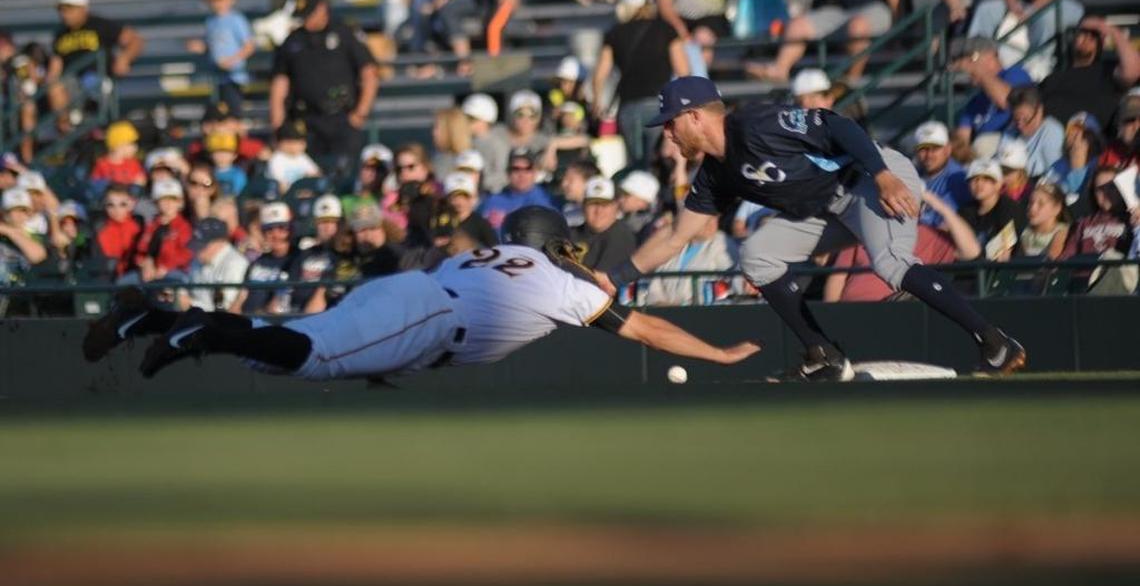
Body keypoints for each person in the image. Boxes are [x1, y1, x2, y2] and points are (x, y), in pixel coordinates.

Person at [598, 76, 1026, 381]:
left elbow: (837, 124)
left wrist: (881, 174)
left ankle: (993, 340)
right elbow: (676, 236)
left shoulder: (755, 124)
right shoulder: (714, 173)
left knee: (891, 263)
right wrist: (615, 278)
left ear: (694, 116)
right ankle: (823, 353)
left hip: (869, 179)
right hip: (827, 206)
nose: (668, 135)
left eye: (670, 123)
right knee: (757, 256)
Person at [83, 206, 761, 383]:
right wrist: (720, 353)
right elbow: (645, 329)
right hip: (434, 318)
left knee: (279, 353)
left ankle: (157, 316)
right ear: (545, 240)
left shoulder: (491, 253)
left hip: (418, 298)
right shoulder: (556, 277)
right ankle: (197, 327)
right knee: (307, 355)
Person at [746, 0, 906, 83]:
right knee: (797, 25)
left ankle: (849, 82)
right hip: (842, 9)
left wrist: (899, 30)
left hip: (876, 8)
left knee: (858, 27)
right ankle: (780, 69)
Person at [268, 0, 379, 161]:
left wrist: (360, 113)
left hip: (343, 117)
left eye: (310, 14)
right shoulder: (292, 41)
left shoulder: (343, 33)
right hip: (306, 121)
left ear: (322, 8)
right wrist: (278, 125)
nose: (307, 20)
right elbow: (280, 83)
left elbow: (369, 72)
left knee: (345, 172)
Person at [591, 0, 688, 168]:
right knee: (659, 163)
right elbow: (684, 71)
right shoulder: (666, 29)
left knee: (636, 165)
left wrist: (597, 102)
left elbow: (600, 74)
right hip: (660, 104)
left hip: (628, 106)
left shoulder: (615, 32)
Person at [824, 190, 982, 302]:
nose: (900, 205)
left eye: (907, 200)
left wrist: (939, 206)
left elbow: (971, 251)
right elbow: (838, 276)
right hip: (851, 311)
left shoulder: (931, 235)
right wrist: (831, 315)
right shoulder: (866, 228)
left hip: (895, 310)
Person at [48, 0, 144, 129]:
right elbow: (55, 67)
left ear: (83, 8)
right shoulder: (60, 35)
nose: (64, 14)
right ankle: (66, 133)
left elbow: (134, 40)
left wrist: (124, 58)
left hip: (98, 80)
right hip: (73, 84)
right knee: (55, 87)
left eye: (69, 9)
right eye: (61, 9)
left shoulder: (99, 25)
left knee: (92, 83)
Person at [966, 0, 1084, 61]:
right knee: (986, 10)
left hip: (1062, 1)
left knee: (1044, 19)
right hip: (1023, 1)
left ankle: (1038, 69)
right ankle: (975, 62)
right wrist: (1013, 5)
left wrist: (1031, 10)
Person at [1039, 16, 1140, 128]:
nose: (1087, 37)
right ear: (1073, 39)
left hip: (1092, 139)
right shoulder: (1053, 78)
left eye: (1093, 36)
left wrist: (1109, 30)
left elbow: (1133, 70)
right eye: (1083, 33)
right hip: (1052, 136)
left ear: (1100, 46)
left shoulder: (1107, 71)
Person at [186, 0, 255, 112]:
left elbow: (249, 46)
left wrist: (231, 61)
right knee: (219, 113)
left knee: (233, 113)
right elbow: (213, 45)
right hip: (217, 77)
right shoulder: (211, 21)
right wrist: (202, 47)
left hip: (234, 77)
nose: (218, 3)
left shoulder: (236, 20)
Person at [951, 36, 1033, 151]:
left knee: (982, 144)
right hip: (984, 160)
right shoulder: (976, 101)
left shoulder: (1015, 73)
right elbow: (962, 141)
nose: (968, 67)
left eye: (972, 58)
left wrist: (978, 70)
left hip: (1012, 145)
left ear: (991, 55)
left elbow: (1007, 101)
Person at [643, 215, 736, 306]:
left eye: (714, 219)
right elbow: (656, 282)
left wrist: (685, 305)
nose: (711, 224)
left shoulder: (722, 243)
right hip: (664, 312)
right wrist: (660, 303)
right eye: (706, 220)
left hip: (702, 313)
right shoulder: (673, 243)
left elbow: (729, 282)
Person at [230, 202, 298, 315]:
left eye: (282, 228)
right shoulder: (259, 261)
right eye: (269, 229)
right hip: (247, 322)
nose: (275, 234)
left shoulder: (297, 259)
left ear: (291, 230)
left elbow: (278, 306)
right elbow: (242, 295)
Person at [958, 158, 1026, 260]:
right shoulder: (965, 211)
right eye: (974, 179)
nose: (979, 184)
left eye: (986, 179)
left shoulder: (1010, 209)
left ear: (998, 184)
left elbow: (1004, 248)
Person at [178, 217, 250, 312]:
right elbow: (185, 285)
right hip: (197, 318)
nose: (196, 250)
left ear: (220, 243)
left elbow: (225, 308)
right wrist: (177, 294)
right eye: (196, 245)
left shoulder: (236, 264)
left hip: (222, 323)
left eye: (202, 245)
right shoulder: (197, 260)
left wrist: (190, 304)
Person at [912, 120, 970, 230]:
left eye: (935, 148)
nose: (929, 155)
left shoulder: (958, 178)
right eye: (923, 149)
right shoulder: (912, 173)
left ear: (947, 150)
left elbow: (942, 225)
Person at [479, 148, 555, 231]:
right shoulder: (492, 201)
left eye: (527, 169)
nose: (521, 174)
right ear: (507, 172)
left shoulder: (548, 201)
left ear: (535, 172)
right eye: (516, 169)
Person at [1042, 111, 1103, 215]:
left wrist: (1077, 167)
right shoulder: (1057, 165)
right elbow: (1044, 190)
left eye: (1084, 134)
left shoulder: (1100, 165)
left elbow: (1083, 203)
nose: (1077, 139)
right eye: (1072, 131)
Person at [573, 176, 638, 270]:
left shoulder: (621, 236)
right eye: (593, 204)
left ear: (616, 206)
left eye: (605, 204)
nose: (598, 211)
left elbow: (602, 280)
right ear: (583, 206)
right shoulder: (569, 233)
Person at [1000, 85, 1064, 178]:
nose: (1020, 126)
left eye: (1026, 120)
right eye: (1016, 120)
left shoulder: (1051, 131)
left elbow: (1055, 175)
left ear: (1039, 111)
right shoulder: (1011, 130)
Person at [462, 93, 511, 193]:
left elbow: (503, 174)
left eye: (472, 119)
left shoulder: (497, 143)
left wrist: (476, 182)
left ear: (486, 119)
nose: (466, 123)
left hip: (491, 193)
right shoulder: (466, 141)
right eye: (465, 119)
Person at [94, 184, 141, 280]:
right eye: (110, 205)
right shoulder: (100, 230)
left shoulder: (140, 226)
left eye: (122, 204)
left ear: (132, 204)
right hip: (110, 279)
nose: (116, 210)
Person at [1018, 182, 1069, 259]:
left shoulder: (1062, 232)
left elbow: (1051, 261)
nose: (1032, 209)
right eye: (1031, 203)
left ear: (1056, 209)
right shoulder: (1024, 232)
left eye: (1041, 204)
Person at [90, 120, 146, 188]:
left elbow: (142, 182)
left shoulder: (134, 163)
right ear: (119, 145)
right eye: (131, 143)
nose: (136, 148)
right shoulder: (101, 164)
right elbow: (95, 185)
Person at [617, 169, 665, 243]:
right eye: (621, 192)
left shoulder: (652, 227)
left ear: (642, 201)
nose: (621, 197)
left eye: (626, 194)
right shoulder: (621, 215)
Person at [997, 138, 1034, 215]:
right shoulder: (997, 188)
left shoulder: (1030, 194)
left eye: (1007, 171)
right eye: (1000, 169)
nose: (1002, 174)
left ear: (1021, 172)